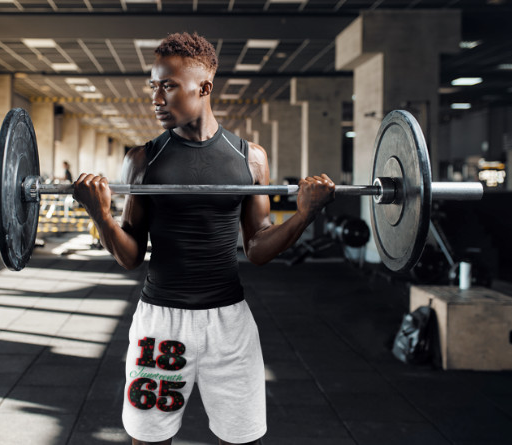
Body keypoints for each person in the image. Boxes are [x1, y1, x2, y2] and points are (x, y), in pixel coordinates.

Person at [73, 32, 335, 445]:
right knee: (149, 439)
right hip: (160, 323)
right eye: (154, 86)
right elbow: (130, 257)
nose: (156, 98)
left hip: (228, 321)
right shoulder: (142, 159)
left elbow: (258, 247)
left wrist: (305, 215)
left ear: (204, 87)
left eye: (168, 86)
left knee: (243, 437)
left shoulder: (250, 157)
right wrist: (100, 214)